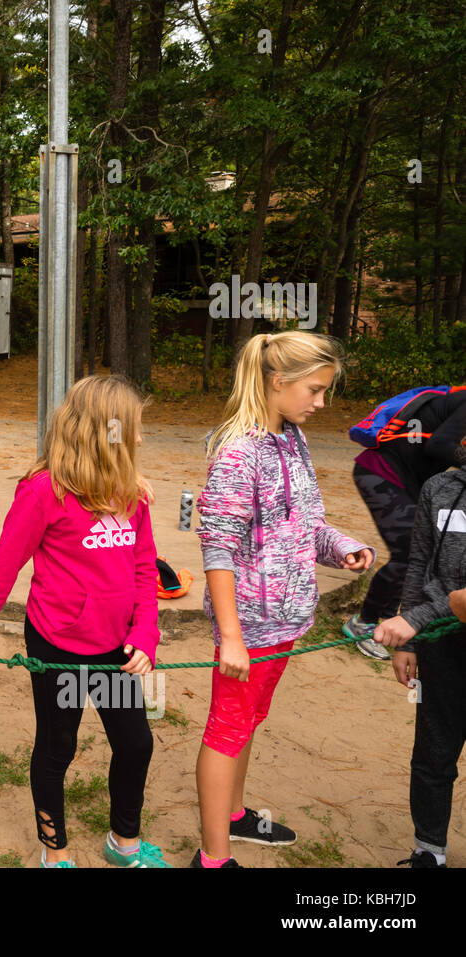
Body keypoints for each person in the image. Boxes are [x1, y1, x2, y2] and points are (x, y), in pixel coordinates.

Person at [0, 375, 168, 868]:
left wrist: (145, 635)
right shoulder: (44, 491)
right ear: (104, 431)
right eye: (134, 427)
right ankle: (56, 853)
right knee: (57, 748)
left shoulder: (132, 493)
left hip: (117, 652)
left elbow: (143, 570)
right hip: (57, 647)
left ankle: (123, 844)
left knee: (135, 744)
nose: (140, 437)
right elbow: (2, 569)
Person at [192, 331, 374, 869]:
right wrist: (230, 636)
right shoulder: (237, 451)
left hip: (288, 618)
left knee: (248, 722)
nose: (322, 403)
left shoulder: (292, 439)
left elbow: (305, 524)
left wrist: (341, 547)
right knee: (226, 731)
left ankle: (233, 815)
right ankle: (213, 860)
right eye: (315, 390)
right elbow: (217, 548)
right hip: (248, 627)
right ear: (278, 382)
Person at [370, 448, 466, 868]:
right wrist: (409, 641)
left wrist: (417, 617)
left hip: (431, 621)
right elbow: (420, 565)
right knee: (433, 749)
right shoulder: (439, 489)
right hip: (442, 649)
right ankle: (430, 850)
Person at [344, 382, 466, 660]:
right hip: (380, 474)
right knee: (408, 552)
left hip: (405, 481)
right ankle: (363, 622)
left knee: (416, 552)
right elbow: (441, 444)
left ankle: (388, 619)